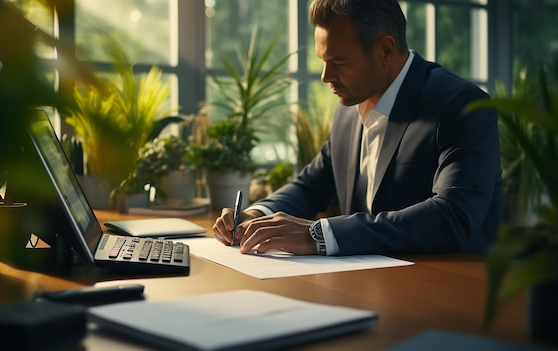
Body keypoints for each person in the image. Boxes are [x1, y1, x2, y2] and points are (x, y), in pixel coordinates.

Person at [212, 0, 503, 256]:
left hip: (455, 294)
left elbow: (453, 217)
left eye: (338, 62)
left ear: (385, 50)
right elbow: (311, 186)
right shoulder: (348, 111)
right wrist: (256, 215)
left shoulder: (461, 106)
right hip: (369, 287)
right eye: (324, 61)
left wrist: (318, 234)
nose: (326, 77)